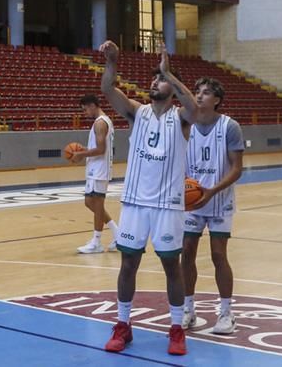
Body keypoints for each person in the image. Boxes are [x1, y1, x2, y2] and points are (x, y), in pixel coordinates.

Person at [99, 40, 198, 357]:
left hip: (168, 205)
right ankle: (123, 325)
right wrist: (112, 62)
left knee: (172, 266)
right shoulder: (136, 112)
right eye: (155, 78)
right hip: (135, 203)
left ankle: (176, 329)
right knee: (128, 263)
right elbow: (107, 89)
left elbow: (195, 109)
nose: (155, 81)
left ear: (172, 89)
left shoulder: (181, 118)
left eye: (161, 78)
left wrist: (171, 73)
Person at [181, 77, 244, 335]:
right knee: (186, 253)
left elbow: (237, 169)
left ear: (217, 100)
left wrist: (212, 191)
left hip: (219, 200)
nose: (199, 95)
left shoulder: (230, 127)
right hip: (192, 201)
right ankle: (188, 310)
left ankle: (227, 313)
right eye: (197, 91)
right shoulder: (186, 124)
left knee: (219, 255)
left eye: (206, 93)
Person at [69, 95, 119, 254]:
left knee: (97, 205)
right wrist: (83, 149)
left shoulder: (100, 123)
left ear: (92, 105)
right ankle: (118, 234)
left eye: (85, 109)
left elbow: (100, 149)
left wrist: (81, 154)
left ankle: (96, 242)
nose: (84, 113)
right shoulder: (103, 121)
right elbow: (97, 146)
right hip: (96, 169)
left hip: (99, 170)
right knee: (89, 202)